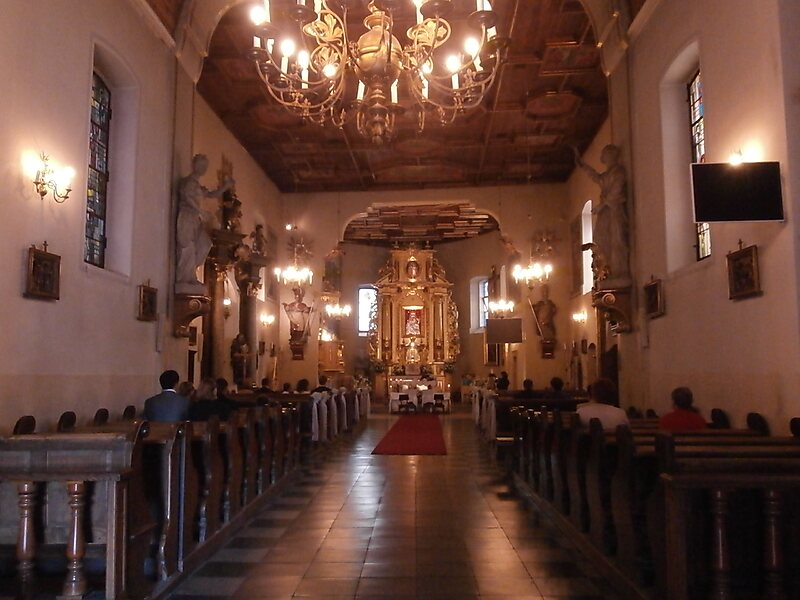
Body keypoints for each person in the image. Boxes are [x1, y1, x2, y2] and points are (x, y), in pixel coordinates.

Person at [175, 154, 234, 289]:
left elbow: (212, 194)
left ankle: (190, 274)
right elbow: (186, 196)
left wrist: (226, 186)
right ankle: (185, 278)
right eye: (201, 165)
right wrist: (200, 211)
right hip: (187, 217)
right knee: (188, 247)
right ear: (194, 165)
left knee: (204, 244)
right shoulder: (187, 182)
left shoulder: (198, 186)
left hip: (196, 219)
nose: (203, 168)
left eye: (205, 166)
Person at [573, 144, 630, 283]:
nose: (603, 157)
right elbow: (595, 177)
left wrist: (601, 206)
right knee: (600, 237)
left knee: (616, 239)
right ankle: (607, 270)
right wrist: (583, 165)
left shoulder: (619, 172)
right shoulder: (606, 175)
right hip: (605, 211)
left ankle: (619, 271)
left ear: (611, 155)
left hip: (614, 210)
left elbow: (616, 190)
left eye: (605, 154)